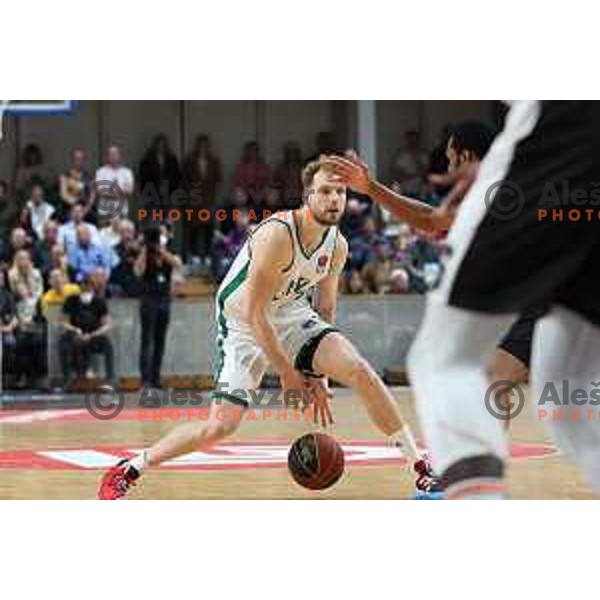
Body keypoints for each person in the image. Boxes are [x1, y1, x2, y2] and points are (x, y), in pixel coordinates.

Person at [97, 159, 442, 499]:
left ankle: (420, 466)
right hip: (243, 321)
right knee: (220, 426)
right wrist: (288, 372)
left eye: (339, 191)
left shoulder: (337, 246)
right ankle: (130, 468)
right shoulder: (277, 234)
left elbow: (324, 309)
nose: (334, 199)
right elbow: (256, 312)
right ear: (308, 195)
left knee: (359, 370)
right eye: (325, 191)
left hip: (290, 312)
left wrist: (319, 374)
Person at [329, 102, 600, 499]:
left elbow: (432, 222)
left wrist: (371, 189)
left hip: (534, 286)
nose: (449, 166)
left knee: (444, 360)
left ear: (467, 156)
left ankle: (464, 487)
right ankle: (474, 469)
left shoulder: (523, 153)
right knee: (564, 392)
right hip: (550, 287)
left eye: (452, 157)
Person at [134, 226, 182, 389]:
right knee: (147, 340)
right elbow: (138, 271)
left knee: (160, 341)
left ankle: (156, 377)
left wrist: (160, 250)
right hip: (148, 299)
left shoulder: (167, 250)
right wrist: (146, 249)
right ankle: (145, 379)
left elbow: (177, 264)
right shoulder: (144, 252)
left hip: (163, 298)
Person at [59, 274, 115, 387]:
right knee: (64, 343)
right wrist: (75, 330)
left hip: (94, 334)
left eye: (89, 285)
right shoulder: (71, 300)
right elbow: (63, 321)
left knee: (108, 344)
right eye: (83, 285)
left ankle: (110, 378)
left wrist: (93, 334)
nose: (86, 287)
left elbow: (107, 324)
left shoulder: (99, 301)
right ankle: (68, 378)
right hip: (76, 333)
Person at [181, 134, 222, 266]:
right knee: (193, 228)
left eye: (205, 145)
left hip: (209, 199)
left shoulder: (214, 161)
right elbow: (184, 180)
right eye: (201, 144)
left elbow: (218, 178)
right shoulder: (189, 160)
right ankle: (193, 255)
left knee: (208, 227)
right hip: (194, 199)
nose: (203, 147)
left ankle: (208, 255)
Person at [95, 145, 134, 217]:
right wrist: (119, 193)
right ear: (107, 157)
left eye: (115, 154)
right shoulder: (100, 171)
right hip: (104, 212)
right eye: (111, 154)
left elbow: (129, 191)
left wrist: (109, 192)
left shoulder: (127, 172)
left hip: (122, 211)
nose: (113, 156)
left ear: (119, 156)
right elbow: (99, 191)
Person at [59, 149, 91, 220]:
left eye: (81, 159)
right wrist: (75, 206)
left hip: (85, 210)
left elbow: (92, 194)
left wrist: (86, 209)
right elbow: (63, 194)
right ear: (72, 160)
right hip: (69, 209)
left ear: (84, 161)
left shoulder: (88, 176)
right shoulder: (65, 175)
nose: (78, 161)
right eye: (76, 159)